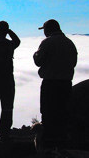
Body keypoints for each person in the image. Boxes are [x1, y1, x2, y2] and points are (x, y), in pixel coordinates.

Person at [33, 19, 77, 150]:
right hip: (66, 83)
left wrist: (35, 54)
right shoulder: (69, 43)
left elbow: (38, 61)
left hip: (50, 83)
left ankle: (49, 146)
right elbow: (73, 63)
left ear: (48, 30)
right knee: (63, 114)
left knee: (48, 113)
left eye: (44, 30)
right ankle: (62, 144)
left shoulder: (47, 42)